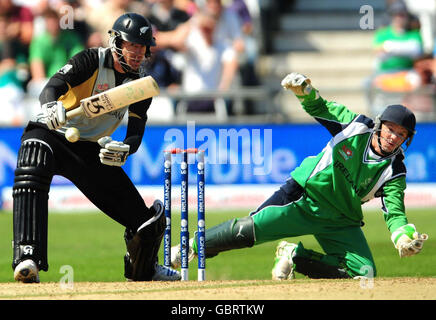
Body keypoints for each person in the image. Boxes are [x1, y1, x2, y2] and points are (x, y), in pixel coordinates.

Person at [170, 72, 428, 280]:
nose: (393, 137)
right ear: (380, 125)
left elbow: (394, 210)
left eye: (401, 134)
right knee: (247, 231)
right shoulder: (356, 127)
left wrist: (402, 236)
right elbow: (324, 107)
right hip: (304, 197)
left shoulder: (395, 170)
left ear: (407, 139)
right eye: (390, 129)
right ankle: (189, 248)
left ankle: (294, 255)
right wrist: (306, 92)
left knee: (364, 273)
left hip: (341, 219)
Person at [12, 12, 181, 283]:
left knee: (147, 225)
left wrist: (125, 149)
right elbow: (51, 87)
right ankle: (26, 257)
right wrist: (51, 106)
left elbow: (135, 133)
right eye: (132, 45)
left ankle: (144, 269)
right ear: (116, 42)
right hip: (52, 133)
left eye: (142, 46)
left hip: (91, 151)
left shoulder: (140, 85)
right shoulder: (91, 59)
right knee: (34, 157)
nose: (137, 52)